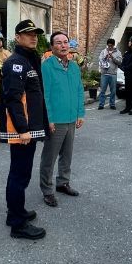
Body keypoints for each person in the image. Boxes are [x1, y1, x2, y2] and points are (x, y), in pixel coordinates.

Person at [1, 19, 49, 240]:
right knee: (19, 176)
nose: (33, 37)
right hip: (22, 130)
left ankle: (16, 212)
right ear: (17, 37)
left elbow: (34, 96)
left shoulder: (28, 60)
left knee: (21, 173)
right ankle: (17, 225)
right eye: (28, 34)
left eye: (35, 34)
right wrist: (22, 129)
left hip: (30, 127)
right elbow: (13, 99)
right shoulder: (16, 63)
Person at [40, 31, 85, 207]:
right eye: (58, 42)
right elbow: (45, 95)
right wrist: (49, 119)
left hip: (71, 118)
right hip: (56, 120)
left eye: (65, 42)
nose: (63, 45)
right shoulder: (47, 66)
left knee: (67, 154)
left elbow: (79, 90)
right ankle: (47, 190)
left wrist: (80, 113)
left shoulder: (73, 67)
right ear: (52, 47)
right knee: (49, 157)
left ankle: (63, 182)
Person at [98, 38, 123, 110]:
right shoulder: (103, 51)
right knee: (102, 90)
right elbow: (100, 60)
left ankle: (112, 104)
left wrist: (113, 57)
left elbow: (120, 62)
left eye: (111, 46)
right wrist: (105, 57)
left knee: (113, 91)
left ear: (113, 45)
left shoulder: (118, 52)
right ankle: (101, 104)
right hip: (104, 73)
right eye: (108, 46)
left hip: (113, 74)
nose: (109, 47)